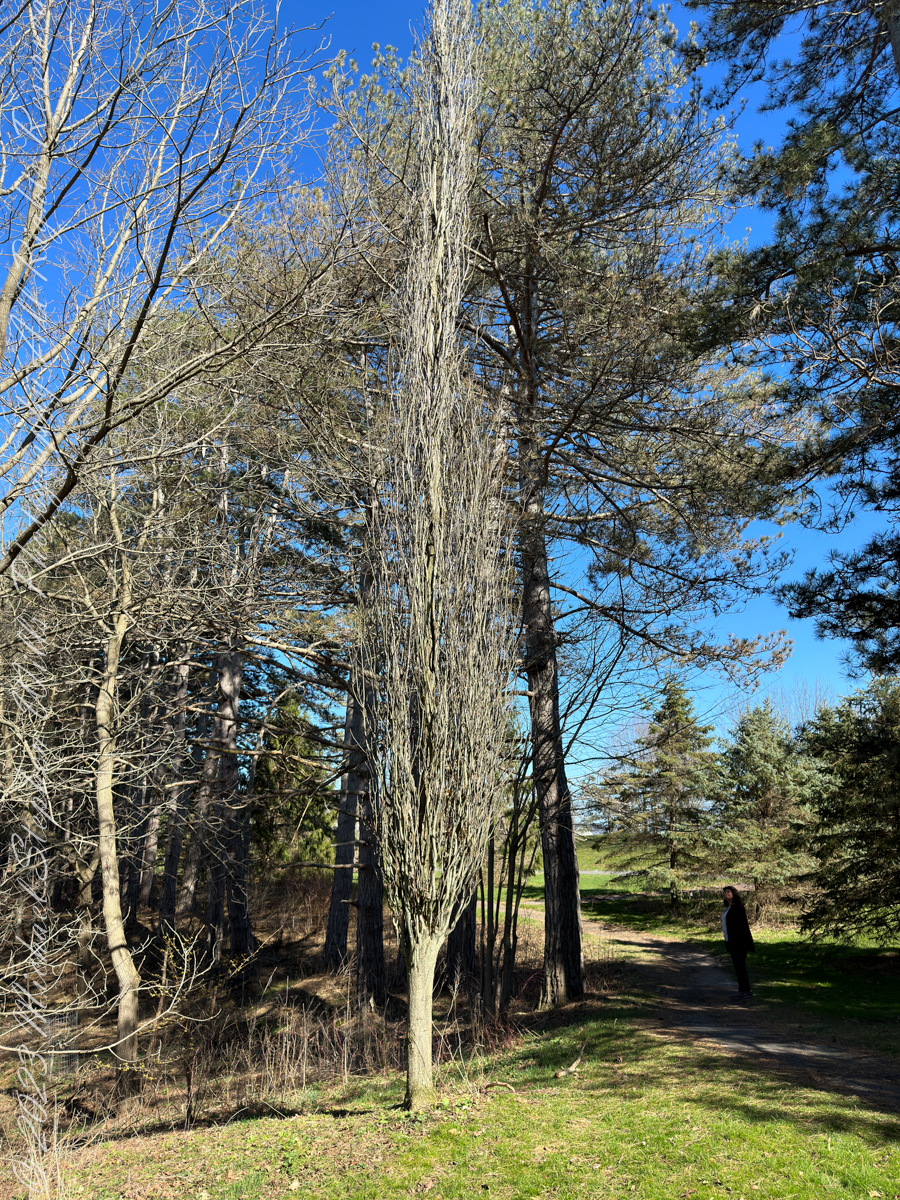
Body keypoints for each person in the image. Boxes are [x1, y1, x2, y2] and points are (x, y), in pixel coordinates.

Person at [722, 886, 755, 1001]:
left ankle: (745, 991)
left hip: (739, 943)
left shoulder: (737, 907)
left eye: (728, 892)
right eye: (725, 892)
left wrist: (740, 941)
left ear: (733, 893)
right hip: (732, 942)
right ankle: (744, 990)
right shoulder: (728, 908)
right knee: (738, 967)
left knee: (740, 967)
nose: (726, 894)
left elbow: (741, 926)